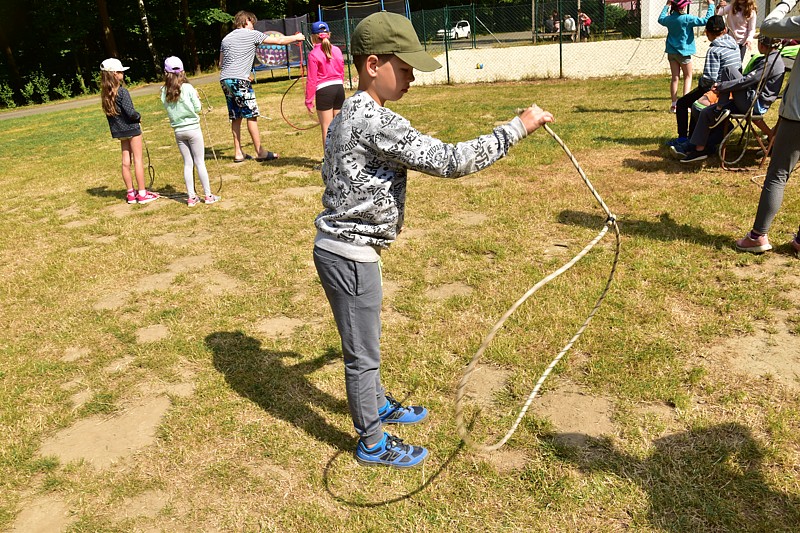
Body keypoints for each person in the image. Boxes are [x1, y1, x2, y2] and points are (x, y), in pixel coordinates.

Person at [312, 11, 554, 469]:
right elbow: (449, 160)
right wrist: (517, 127)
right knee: (362, 355)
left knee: (365, 341)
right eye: (404, 70)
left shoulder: (351, 110)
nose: (410, 80)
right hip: (350, 255)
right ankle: (371, 442)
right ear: (373, 65)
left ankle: (377, 403)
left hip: (341, 250)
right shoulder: (377, 122)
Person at [736, 0, 800, 254]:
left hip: (796, 115)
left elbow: (769, 26)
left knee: (778, 174)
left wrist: (786, 3)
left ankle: (757, 236)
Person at [678, 35, 785, 162]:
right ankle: (699, 150)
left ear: (761, 45)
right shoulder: (773, 58)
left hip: (754, 104)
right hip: (750, 99)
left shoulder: (771, 62)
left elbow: (746, 81)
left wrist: (722, 86)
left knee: (728, 70)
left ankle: (720, 108)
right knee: (706, 112)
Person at [219, 10, 304, 163]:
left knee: (236, 116)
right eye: (253, 23)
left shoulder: (226, 38)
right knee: (251, 115)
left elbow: (221, 63)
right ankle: (260, 152)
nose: (253, 26)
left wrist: (243, 73)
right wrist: (296, 38)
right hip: (239, 80)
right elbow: (278, 41)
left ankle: (238, 153)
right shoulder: (252, 34)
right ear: (247, 20)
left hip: (225, 80)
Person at [667, 15, 740, 146]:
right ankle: (691, 137)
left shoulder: (714, 50)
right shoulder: (734, 45)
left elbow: (709, 78)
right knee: (692, 99)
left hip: (717, 90)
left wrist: (701, 82)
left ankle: (685, 139)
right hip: (732, 89)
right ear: (724, 30)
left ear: (707, 33)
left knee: (684, 103)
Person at [161, 56, 220, 206]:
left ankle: (191, 197)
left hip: (178, 131)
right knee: (200, 162)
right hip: (193, 129)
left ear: (165, 72)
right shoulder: (188, 88)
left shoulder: (164, 91)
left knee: (188, 163)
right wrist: (198, 99)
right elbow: (198, 109)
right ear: (183, 71)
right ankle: (208, 195)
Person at [100, 58, 160, 205]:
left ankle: (131, 194)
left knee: (125, 162)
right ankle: (142, 193)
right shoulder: (122, 92)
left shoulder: (105, 94)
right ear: (115, 74)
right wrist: (138, 117)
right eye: (120, 72)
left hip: (119, 132)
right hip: (132, 129)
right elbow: (130, 112)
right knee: (138, 160)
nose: (123, 74)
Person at [659, 0, 716, 113]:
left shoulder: (669, 19)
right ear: (683, 7)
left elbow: (660, 19)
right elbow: (706, 20)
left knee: (675, 78)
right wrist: (711, 5)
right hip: (684, 53)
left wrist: (666, 6)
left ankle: (674, 105)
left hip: (671, 53)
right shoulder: (687, 18)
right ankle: (685, 104)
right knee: (688, 76)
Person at [305, 21, 345, 152]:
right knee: (338, 126)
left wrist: (309, 100)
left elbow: (312, 79)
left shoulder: (313, 54)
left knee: (327, 128)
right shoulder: (337, 50)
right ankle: (341, 158)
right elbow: (342, 71)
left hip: (324, 90)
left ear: (313, 37)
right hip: (339, 88)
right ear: (329, 34)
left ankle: (328, 161)